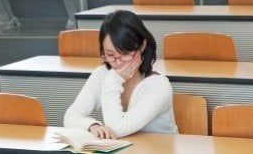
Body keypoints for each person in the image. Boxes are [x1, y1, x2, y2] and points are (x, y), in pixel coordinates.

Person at [64, 10, 178, 139]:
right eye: (110, 55)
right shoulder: (102, 74)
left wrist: (114, 80)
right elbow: (71, 116)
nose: (118, 62)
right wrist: (92, 125)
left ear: (142, 45)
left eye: (124, 54)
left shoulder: (158, 85)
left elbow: (117, 129)